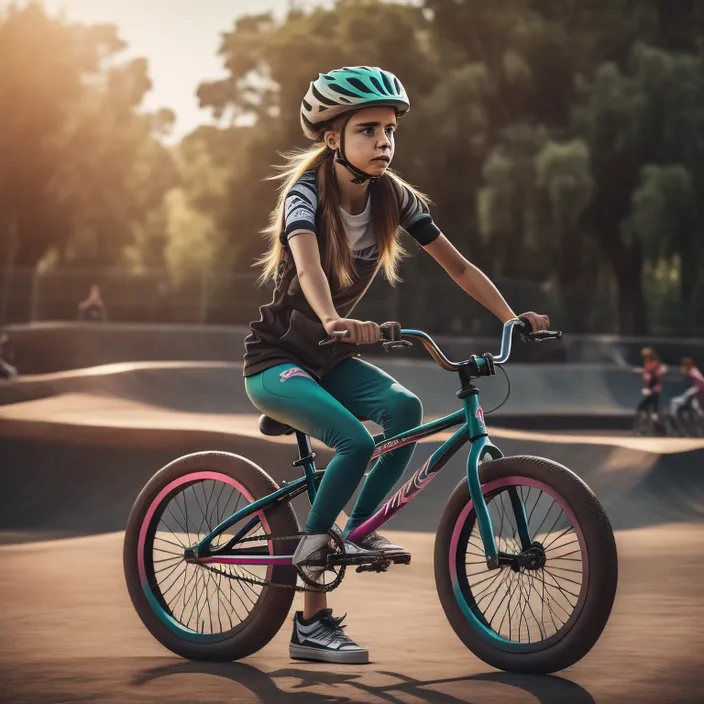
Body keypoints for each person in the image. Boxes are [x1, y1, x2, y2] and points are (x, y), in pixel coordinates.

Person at [242, 66, 550, 665]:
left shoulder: (394, 195)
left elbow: (457, 267)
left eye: (389, 130)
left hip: (330, 361)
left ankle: (354, 530)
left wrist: (511, 317)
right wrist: (333, 318)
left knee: (405, 409)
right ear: (333, 138)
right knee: (355, 442)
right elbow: (307, 267)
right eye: (367, 130)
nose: (384, 141)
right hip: (278, 360)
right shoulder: (305, 194)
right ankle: (311, 595)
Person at [634, 347, 665, 421]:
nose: (644, 359)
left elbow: (651, 371)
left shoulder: (653, 364)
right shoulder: (648, 363)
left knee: (644, 406)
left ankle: (654, 418)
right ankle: (652, 418)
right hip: (651, 388)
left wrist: (641, 371)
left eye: (645, 357)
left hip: (653, 389)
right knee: (650, 406)